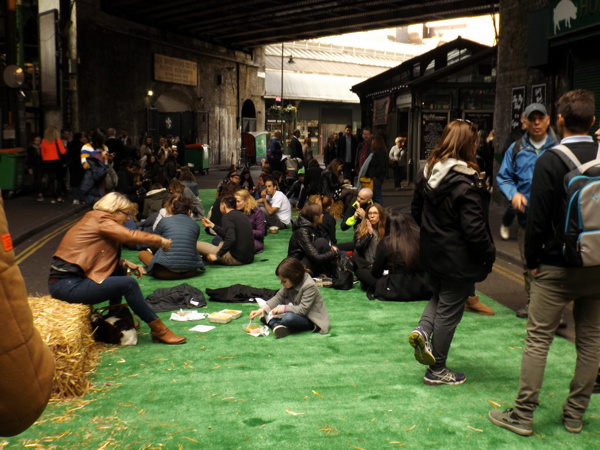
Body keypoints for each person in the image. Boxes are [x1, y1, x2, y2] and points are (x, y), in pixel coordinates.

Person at [489, 89, 600, 436]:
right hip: (596, 265)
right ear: (593, 121)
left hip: (556, 264)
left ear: (560, 120)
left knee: (538, 340)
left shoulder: (551, 160)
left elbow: (536, 220)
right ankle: (574, 415)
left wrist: (533, 262)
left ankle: (522, 416)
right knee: (591, 340)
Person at [409, 119, 495, 386]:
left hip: (432, 254)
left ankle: (422, 330)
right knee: (449, 311)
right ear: (469, 144)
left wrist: (434, 234)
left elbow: (415, 212)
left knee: (439, 298)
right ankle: (437, 370)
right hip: (458, 259)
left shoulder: (428, 174)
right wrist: (488, 253)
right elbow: (474, 228)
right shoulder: (466, 182)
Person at [47, 192, 185, 345]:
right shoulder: (102, 219)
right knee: (128, 284)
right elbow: (128, 236)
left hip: (66, 282)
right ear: (114, 210)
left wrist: (124, 262)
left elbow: (95, 254)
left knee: (121, 273)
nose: (128, 218)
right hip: (68, 285)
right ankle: (159, 330)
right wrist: (159, 240)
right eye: (126, 214)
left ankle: (114, 316)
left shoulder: (94, 219)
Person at [496, 102, 558, 319]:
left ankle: (552, 311)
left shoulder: (559, 147)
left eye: (541, 118)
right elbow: (504, 176)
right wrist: (513, 193)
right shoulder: (516, 149)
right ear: (526, 122)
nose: (537, 123)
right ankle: (533, 304)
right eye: (533, 119)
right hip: (527, 219)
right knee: (528, 263)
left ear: (549, 120)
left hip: (554, 222)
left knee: (552, 266)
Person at [355, 209, 431, 301]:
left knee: (360, 271)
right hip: (420, 285)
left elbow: (376, 272)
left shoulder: (386, 242)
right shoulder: (417, 238)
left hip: (395, 286)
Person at [249, 257, 330, 338]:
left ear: (294, 277)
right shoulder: (293, 282)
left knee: (288, 318)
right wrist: (262, 309)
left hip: (311, 319)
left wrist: (282, 308)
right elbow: (278, 297)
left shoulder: (309, 286)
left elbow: (302, 310)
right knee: (277, 313)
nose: (281, 283)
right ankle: (273, 322)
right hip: (298, 313)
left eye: (284, 281)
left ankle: (272, 321)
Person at [137, 196, 204, 279]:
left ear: (172, 210)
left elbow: (154, 244)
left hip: (165, 272)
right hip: (190, 271)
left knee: (142, 254)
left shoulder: (164, 221)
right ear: (189, 212)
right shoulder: (196, 225)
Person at [197, 194, 255, 265]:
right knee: (221, 242)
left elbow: (231, 238)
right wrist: (212, 225)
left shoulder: (227, 216)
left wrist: (218, 255)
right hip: (248, 257)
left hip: (236, 259)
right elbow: (228, 234)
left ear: (223, 205)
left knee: (195, 244)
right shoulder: (243, 215)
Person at [288, 202, 339, 277]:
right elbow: (317, 257)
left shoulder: (316, 227)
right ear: (315, 217)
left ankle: (326, 273)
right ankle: (327, 273)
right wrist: (335, 253)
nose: (323, 215)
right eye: (321, 213)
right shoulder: (302, 231)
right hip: (296, 267)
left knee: (325, 244)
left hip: (307, 260)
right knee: (322, 242)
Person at [353, 203, 386, 276]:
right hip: (367, 264)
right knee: (355, 254)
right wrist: (369, 234)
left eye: (375, 213)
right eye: (370, 213)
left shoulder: (385, 228)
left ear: (380, 215)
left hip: (381, 262)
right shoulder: (360, 227)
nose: (372, 216)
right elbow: (358, 248)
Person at [80, 129, 109, 205]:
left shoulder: (105, 148)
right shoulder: (86, 147)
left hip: (102, 179)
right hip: (91, 179)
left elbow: (106, 166)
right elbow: (85, 165)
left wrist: (108, 158)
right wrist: (100, 158)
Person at [40, 126, 68, 203]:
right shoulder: (57, 140)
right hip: (56, 161)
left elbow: (42, 153)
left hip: (47, 161)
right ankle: (58, 194)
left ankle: (51, 194)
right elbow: (62, 151)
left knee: (50, 178)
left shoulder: (43, 141)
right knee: (59, 178)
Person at [234, 189, 266, 254]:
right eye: (234, 201)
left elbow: (261, 233)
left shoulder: (257, 212)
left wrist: (245, 231)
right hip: (236, 238)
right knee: (217, 240)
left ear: (246, 201)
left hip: (252, 239)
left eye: (238, 201)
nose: (235, 204)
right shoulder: (234, 211)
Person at [364, 135, 388, 205]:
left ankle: (379, 213)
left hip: (376, 178)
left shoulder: (379, 153)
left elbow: (381, 166)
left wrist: (374, 175)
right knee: (374, 196)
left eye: (373, 141)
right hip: (376, 178)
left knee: (377, 196)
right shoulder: (378, 152)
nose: (372, 142)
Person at [27, 136, 45, 202]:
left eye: (39, 140)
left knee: (39, 179)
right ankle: (37, 191)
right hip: (34, 166)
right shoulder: (31, 149)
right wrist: (29, 167)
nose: (38, 142)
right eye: (36, 140)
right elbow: (30, 159)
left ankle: (40, 193)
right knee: (36, 179)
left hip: (40, 166)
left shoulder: (42, 148)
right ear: (34, 141)